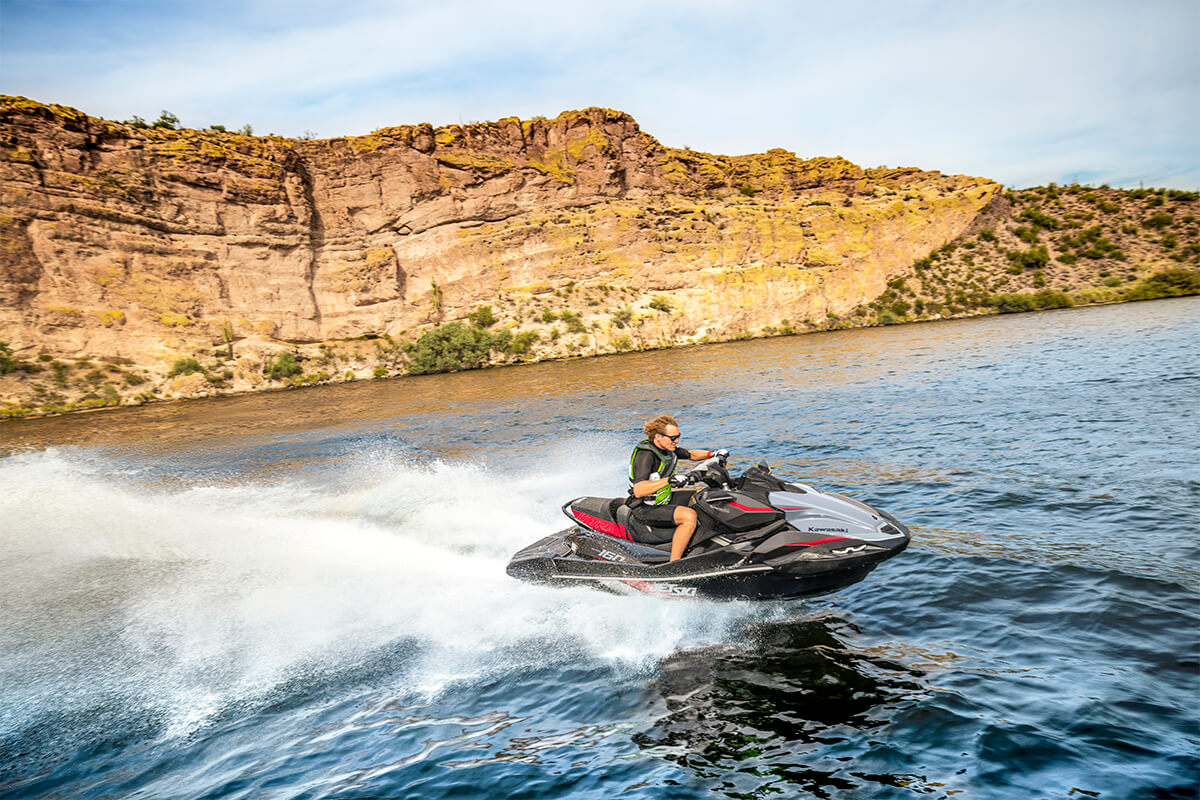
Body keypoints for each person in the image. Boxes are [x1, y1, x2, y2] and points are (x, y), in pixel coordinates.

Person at [628, 414, 724, 562]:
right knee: (688, 517)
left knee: (705, 497)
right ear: (658, 436)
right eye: (673, 438)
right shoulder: (645, 455)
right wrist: (669, 480)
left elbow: (691, 454)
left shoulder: (668, 449)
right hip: (644, 507)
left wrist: (713, 454)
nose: (676, 441)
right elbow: (639, 490)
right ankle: (675, 562)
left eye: (678, 436)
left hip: (663, 499)